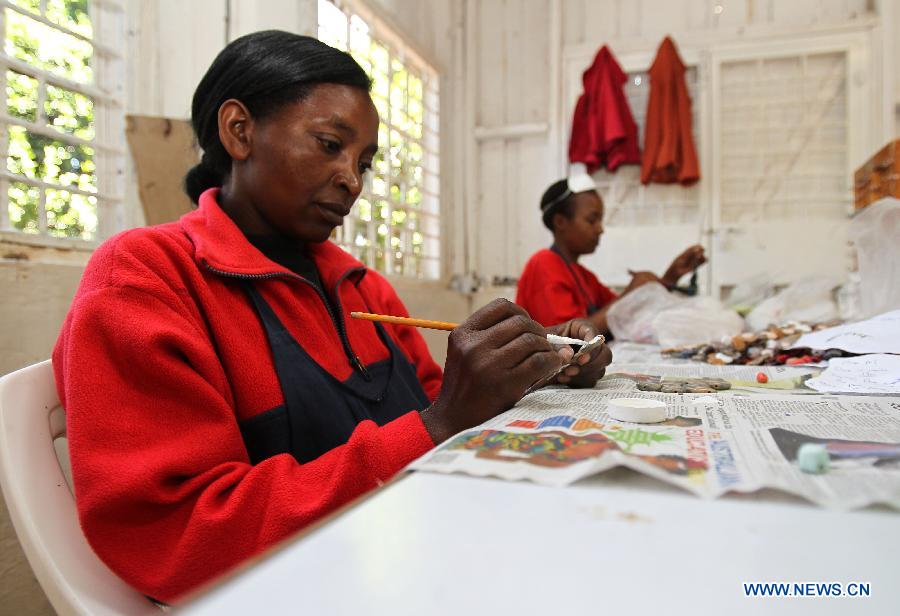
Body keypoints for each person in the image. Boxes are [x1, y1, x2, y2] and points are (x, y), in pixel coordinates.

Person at [52, 31, 611, 603]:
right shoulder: (149, 278)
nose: (353, 179)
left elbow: (438, 401)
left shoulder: (361, 287)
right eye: (328, 144)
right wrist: (439, 425)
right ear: (239, 130)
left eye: (363, 161)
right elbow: (176, 534)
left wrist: (541, 367)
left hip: (415, 554)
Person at [516, 174, 706, 333]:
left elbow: (621, 315)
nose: (600, 229)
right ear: (560, 222)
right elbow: (568, 337)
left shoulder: (584, 276)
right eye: (592, 220)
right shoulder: (543, 264)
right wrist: (631, 292)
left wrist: (669, 278)